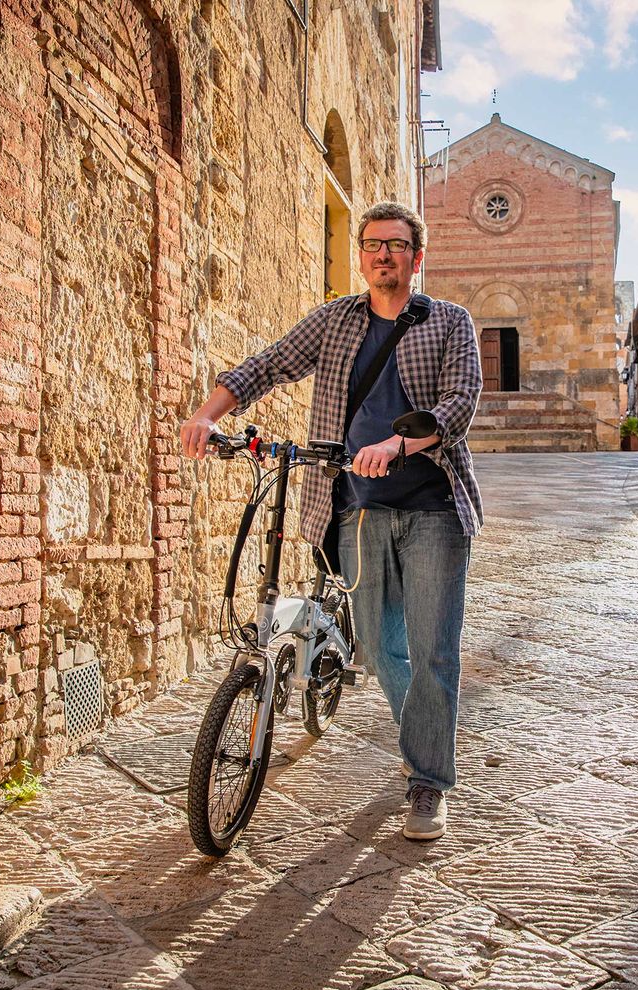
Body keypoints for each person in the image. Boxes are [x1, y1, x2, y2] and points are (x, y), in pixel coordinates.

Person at [180, 201, 482, 841]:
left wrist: (398, 447)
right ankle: (424, 744)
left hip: (433, 509)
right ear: (362, 256)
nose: (382, 255)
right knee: (376, 646)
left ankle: (427, 782)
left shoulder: (449, 321)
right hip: (357, 510)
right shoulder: (336, 322)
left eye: (396, 246)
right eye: (372, 245)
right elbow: (267, 364)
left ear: (416, 257)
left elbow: (458, 405)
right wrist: (209, 412)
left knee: (433, 650)